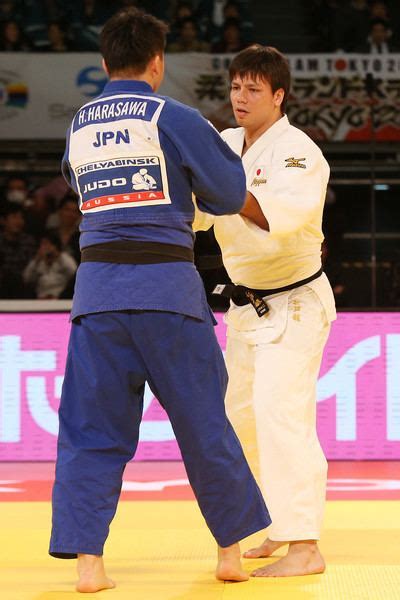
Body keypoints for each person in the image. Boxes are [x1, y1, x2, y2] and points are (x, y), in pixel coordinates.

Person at [49, 8, 271, 593]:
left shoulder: (79, 124)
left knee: (90, 431)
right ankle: (230, 552)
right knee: (204, 425)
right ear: (157, 62)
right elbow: (227, 192)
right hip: (167, 294)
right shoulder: (170, 115)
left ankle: (89, 566)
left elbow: (76, 184)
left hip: (97, 298)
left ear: (103, 64)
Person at [194, 44, 336, 577]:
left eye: (254, 88)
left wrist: (216, 182)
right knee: (241, 419)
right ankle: (276, 524)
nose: (241, 97)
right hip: (246, 307)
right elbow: (196, 216)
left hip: (295, 303)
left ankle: (305, 544)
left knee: (283, 413)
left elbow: (277, 220)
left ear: (279, 96)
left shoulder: (299, 152)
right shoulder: (226, 144)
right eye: (235, 87)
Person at [23, 231, 77, 299]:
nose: (46, 247)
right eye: (43, 244)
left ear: (55, 245)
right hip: (40, 297)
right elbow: (26, 278)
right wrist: (37, 260)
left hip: (60, 296)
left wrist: (58, 256)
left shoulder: (64, 257)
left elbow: (74, 273)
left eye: (48, 244)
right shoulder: (38, 261)